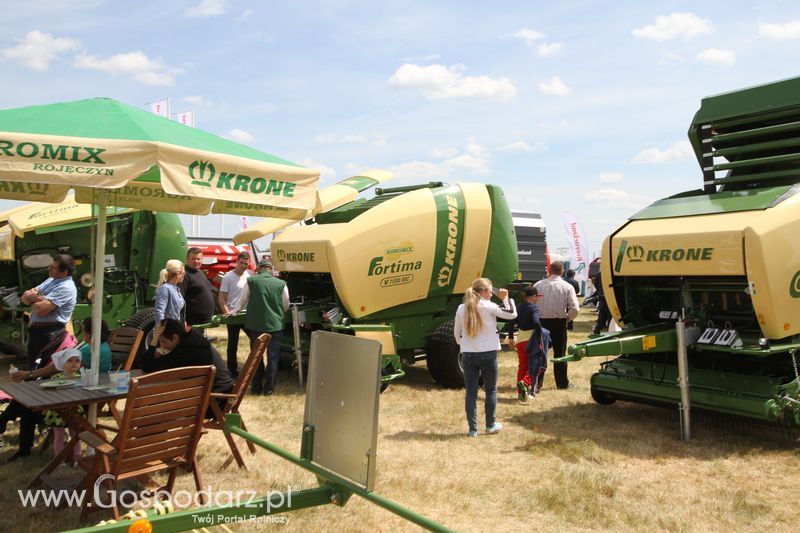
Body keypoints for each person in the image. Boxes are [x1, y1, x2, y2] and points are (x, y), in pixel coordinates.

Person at [453, 278, 517, 437]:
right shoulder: (489, 306)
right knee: (491, 390)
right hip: (488, 353)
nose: (492, 294)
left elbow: (456, 333)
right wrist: (506, 299)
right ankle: (490, 425)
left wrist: (464, 344)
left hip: (468, 354)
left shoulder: (462, 308)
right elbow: (512, 314)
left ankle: (472, 429)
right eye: (490, 291)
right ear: (482, 292)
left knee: (471, 392)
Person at [142, 319, 235, 415]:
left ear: (174, 338)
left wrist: (155, 338)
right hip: (225, 396)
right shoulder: (193, 340)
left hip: (214, 404)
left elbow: (147, 366)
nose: (161, 346)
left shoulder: (181, 352)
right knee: (159, 405)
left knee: (156, 407)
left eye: (163, 341)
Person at [19, 254, 78, 369]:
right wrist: (37, 299)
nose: (48, 269)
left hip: (50, 333)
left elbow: (41, 310)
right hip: (37, 331)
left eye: (53, 268)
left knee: (41, 368)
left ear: (64, 272)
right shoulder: (51, 280)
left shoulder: (66, 287)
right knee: (33, 366)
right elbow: (24, 298)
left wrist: (32, 298)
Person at [242, 260, 289, 395]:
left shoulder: (251, 281)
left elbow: (243, 299)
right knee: (273, 357)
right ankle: (269, 389)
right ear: (270, 269)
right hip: (275, 325)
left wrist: (234, 311)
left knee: (256, 357)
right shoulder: (281, 284)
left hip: (256, 324)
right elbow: (286, 304)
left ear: (258, 269)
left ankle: (256, 388)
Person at [534, 261, 579, 390]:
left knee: (540, 353)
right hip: (559, 323)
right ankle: (562, 383)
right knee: (560, 354)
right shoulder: (567, 287)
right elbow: (575, 308)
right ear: (562, 271)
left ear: (549, 270)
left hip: (541, 322)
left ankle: (537, 383)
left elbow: (532, 305)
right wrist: (566, 320)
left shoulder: (538, 285)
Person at [44, 349, 84, 463]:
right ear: (63, 363)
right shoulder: (56, 378)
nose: (74, 363)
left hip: (75, 410)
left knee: (75, 434)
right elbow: (49, 393)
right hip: (58, 412)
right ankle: (59, 460)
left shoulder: (81, 378)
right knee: (59, 435)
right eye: (70, 361)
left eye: (77, 360)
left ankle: (78, 458)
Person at [218, 251, 252, 377]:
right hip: (233, 315)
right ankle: (232, 372)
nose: (243, 266)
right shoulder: (228, 277)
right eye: (241, 263)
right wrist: (227, 313)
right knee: (232, 345)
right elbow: (221, 297)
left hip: (247, 315)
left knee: (255, 341)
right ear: (237, 262)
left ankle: (254, 370)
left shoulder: (250, 275)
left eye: (246, 263)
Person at [507, 286, 543, 402]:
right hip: (531, 340)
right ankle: (524, 383)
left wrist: (511, 337)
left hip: (520, 340)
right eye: (537, 297)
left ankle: (521, 394)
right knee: (537, 365)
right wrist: (540, 336)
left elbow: (511, 322)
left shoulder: (518, 307)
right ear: (533, 297)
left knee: (522, 366)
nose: (537, 299)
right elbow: (536, 323)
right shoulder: (534, 308)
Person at [179, 247, 215, 326]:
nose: (196, 261)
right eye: (193, 259)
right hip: (191, 323)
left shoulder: (199, 272)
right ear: (187, 258)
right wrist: (182, 320)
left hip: (202, 322)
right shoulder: (184, 274)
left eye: (198, 259)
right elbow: (179, 298)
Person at [154, 259, 185, 324]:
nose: (184, 275)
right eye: (183, 273)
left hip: (175, 328)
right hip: (167, 330)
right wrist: (161, 330)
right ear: (178, 274)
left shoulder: (176, 288)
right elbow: (159, 311)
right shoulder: (165, 288)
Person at [591, 270, 612, 335]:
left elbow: (595, 284)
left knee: (602, 312)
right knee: (610, 313)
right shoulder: (613, 271)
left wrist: (600, 290)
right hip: (611, 295)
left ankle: (599, 327)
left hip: (602, 295)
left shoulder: (599, 274)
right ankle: (609, 326)